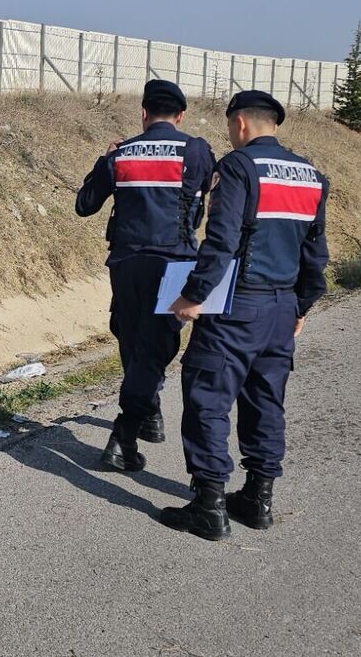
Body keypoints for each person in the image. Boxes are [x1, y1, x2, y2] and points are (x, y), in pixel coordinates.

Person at [163, 90, 330, 541]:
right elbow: (316, 254)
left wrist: (193, 296)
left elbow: (220, 241)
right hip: (281, 308)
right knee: (265, 400)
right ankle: (258, 499)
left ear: (239, 124)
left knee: (208, 396)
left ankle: (209, 505)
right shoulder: (312, 176)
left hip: (238, 306)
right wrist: (302, 305)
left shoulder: (237, 167)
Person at [75, 80, 215, 472]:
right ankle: (126, 432)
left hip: (127, 263)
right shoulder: (196, 150)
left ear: (143, 113)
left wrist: (104, 161)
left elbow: (85, 205)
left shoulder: (121, 155)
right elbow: (215, 192)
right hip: (174, 264)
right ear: (181, 116)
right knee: (156, 346)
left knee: (132, 336)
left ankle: (145, 412)